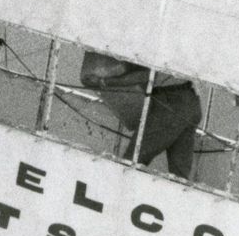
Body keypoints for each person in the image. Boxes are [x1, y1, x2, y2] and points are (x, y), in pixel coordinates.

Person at [80, 47, 203, 179]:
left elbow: (146, 76)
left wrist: (104, 81)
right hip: (191, 99)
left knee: (131, 161)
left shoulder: (157, 42)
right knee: (180, 176)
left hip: (171, 102)